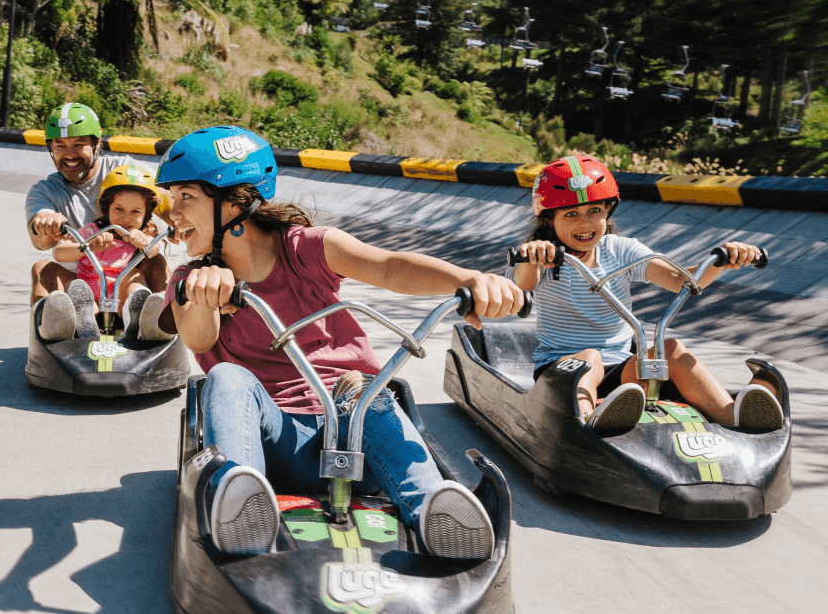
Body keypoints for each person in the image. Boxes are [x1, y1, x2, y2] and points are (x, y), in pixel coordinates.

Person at [156, 125, 527, 560]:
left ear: (235, 201)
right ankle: (240, 505)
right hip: (271, 441)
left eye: (186, 197)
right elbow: (198, 338)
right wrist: (204, 297)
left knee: (361, 387)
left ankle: (434, 511)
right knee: (225, 376)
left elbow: (389, 267)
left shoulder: (305, 249)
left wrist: (470, 280)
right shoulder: (191, 280)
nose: (172, 213)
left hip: (358, 442)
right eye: (172, 198)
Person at [511, 152, 781, 435]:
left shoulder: (620, 249)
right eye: (571, 214)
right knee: (590, 358)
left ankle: (733, 416)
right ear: (548, 219)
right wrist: (532, 258)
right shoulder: (544, 256)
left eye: (595, 210)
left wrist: (722, 260)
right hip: (563, 371)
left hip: (620, 370)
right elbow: (523, 287)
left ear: (608, 210)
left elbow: (680, 279)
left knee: (671, 349)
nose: (585, 223)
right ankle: (586, 425)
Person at [42, 164, 171, 340]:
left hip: (121, 299)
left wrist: (144, 241)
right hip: (90, 294)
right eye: (119, 209)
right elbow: (59, 253)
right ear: (106, 208)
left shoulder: (143, 235)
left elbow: (154, 251)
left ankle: (137, 312)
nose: (126, 217)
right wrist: (88, 245)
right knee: (76, 287)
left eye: (135, 212)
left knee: (134, 275)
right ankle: (84, 318)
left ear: (146, 214)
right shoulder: (94, 230)